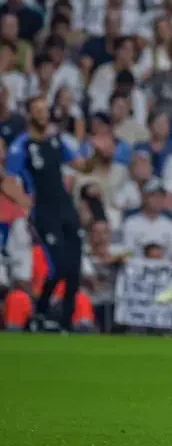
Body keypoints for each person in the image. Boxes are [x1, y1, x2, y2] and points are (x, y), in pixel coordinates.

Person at [5, 96, 94, 331]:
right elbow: (7, 180)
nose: (44, 115)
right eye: (38, 111)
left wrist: (95, 155)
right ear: (30, 115)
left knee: (74, 268)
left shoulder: (57, 142)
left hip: (66, 208)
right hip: (44, 212)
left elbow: (81, 166)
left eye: (45, 110)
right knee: (59, 266)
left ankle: (65, 322)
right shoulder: (21, 146)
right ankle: (41, 311)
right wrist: (23, 201)